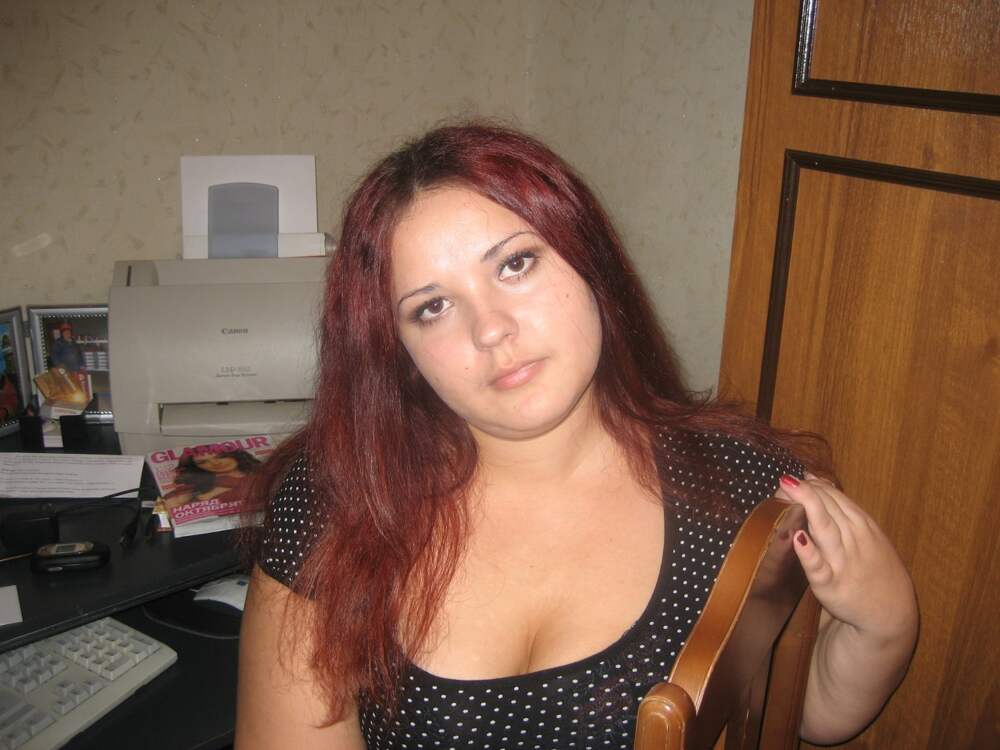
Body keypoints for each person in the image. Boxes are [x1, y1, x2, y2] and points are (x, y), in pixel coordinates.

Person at [235, 123, 918, 749]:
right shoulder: (336, 502)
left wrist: (884, 622)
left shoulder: (739, 495)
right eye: (433, 306)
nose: (491, 329)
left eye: (514, 264)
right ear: (399, 351)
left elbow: (800, 712)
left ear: (587, 258)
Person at [162, 449, 262, 510]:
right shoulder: (192, 488)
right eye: (203, 462)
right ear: (196, 467)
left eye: (220, 457)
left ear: (235, 456)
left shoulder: (261, 475)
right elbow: (167, 510)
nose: (215, 463)